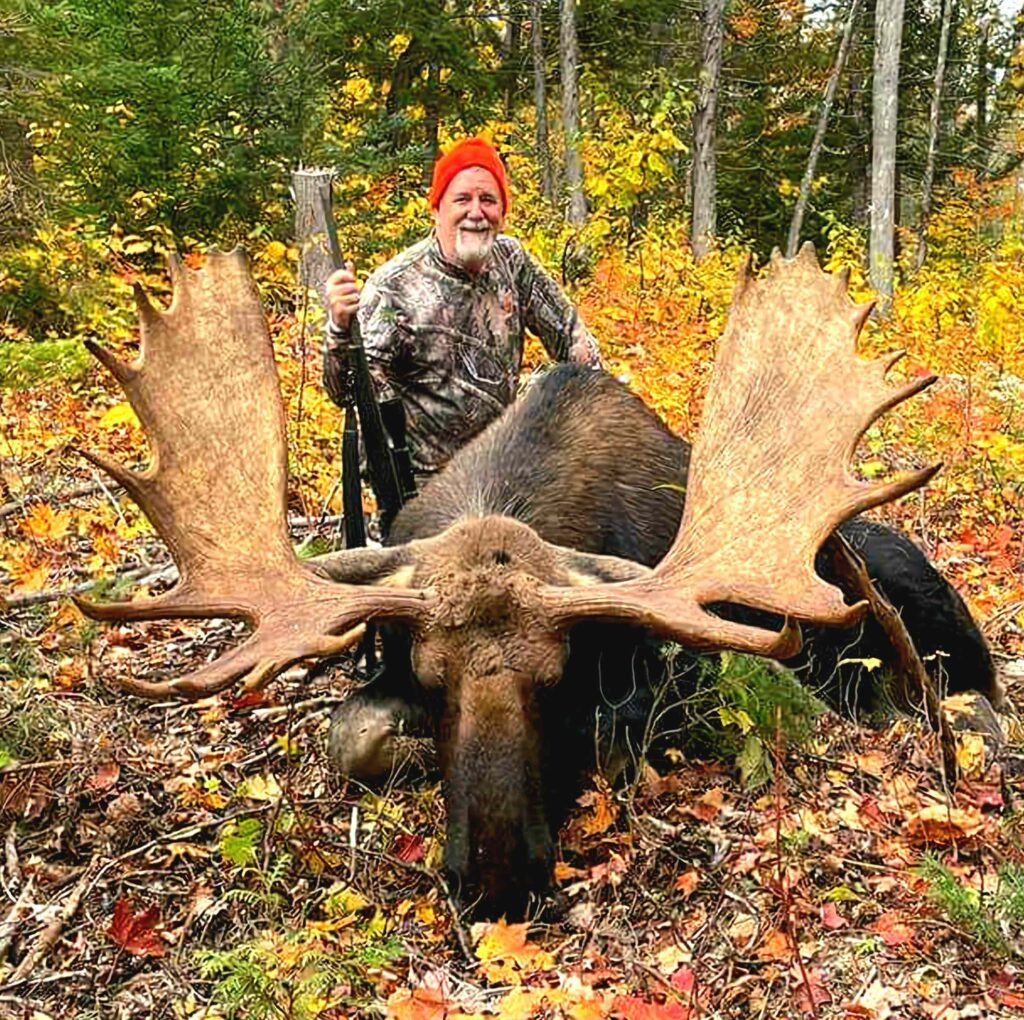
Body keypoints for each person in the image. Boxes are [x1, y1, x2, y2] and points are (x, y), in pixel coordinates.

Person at [323, 136, 601, 485]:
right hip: (425, 496)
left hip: (502, 477)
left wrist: (597, 406)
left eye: (488, 200)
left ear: (502, 212)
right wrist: (338, 327)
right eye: (462, 199)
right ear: (437, 209)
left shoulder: (512, 262)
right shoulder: (393, 288)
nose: (476, 212)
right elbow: (345, 394)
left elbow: (572, 337)